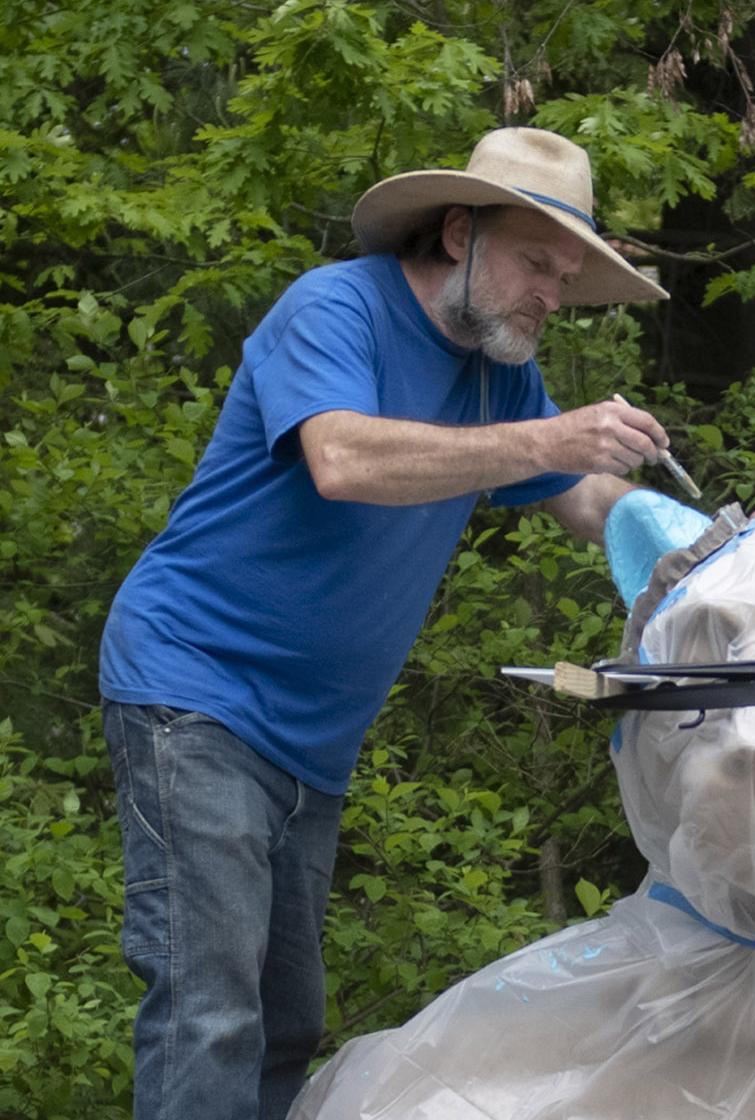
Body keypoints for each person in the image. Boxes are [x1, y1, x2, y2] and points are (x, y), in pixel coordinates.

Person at [97, 127, 680, 1120]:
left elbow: (582, 496)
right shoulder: (335, 308)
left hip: (311, 744)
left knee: (285, 1019)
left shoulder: (499, 372)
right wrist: (547, 437)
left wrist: (721, 545)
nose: (553, 292)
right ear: (458, 232)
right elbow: (344, 460)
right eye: (537, 262)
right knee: (210, 1014)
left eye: (568, 274)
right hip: (194, 691)